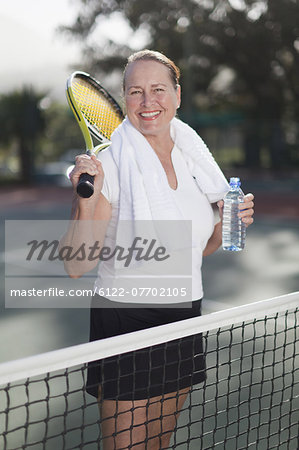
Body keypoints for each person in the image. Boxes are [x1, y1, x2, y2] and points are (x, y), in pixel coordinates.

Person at [63, 50, 254, 449]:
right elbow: (77, 266)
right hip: (126, 320)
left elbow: (198, 250)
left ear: (177, 95)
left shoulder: (195, 161)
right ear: (125, 100)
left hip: (184, 316)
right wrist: (87, 198)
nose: (148, 102)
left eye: (158, 90)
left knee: (158, 444)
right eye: (136, 92)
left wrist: (232, 222)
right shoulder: (111, 164)